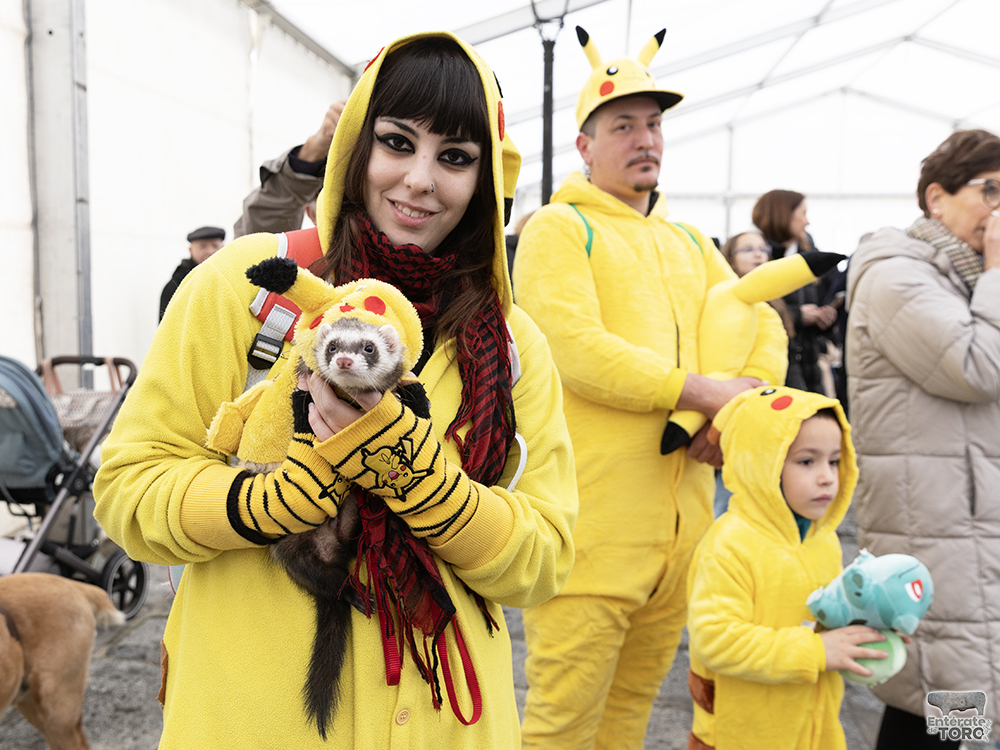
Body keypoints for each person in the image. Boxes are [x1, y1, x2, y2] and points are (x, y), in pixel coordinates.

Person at [94, 33, 577, 749]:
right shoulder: (252, 287)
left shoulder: (508, 345)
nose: (419, 179)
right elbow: (128, 491)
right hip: (253, 722)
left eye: (454, 157)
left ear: (485, 182)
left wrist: (431, 488)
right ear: (355, 146)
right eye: (396, 141)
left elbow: (544, 558)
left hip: (448, 726)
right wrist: (261, 502)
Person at [512, 26, 788, 749]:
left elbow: (763, 320)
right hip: (591, 539)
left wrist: (746, 405)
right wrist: (699, 392)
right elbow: (575, 351)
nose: (645, 139)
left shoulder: (691, 242)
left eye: (655, 124)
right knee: (560, 726)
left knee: (630, 717)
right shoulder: (558, 228)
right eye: (623, 124)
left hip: (683, 539)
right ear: (585, 145)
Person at [845, 128, 1000, 750]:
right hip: (934, 533)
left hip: (968, 524)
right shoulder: (895, 277)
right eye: (989, 190)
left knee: (956, 691)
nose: (998, 208)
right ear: (936, 198)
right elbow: (978, 365)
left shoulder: (962, 279)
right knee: (943, 695)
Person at [686, 386, 879, 750]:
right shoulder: (730, 545)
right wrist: (816, 652)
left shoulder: (823, 539)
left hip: (814, 724)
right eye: (807, 461)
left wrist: (870, 629)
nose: (826, 477)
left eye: (834, 461)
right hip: (742, 731)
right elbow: (716, 638)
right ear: (763, 464)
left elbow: (828, 613)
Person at [752, 190, 840, 395]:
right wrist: (798, 316)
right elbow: (751, 311)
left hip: (808, 364)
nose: (807, 222)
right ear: (783, 215)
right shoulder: (756, 256)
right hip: (774, 368)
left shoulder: (807, 254)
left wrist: (824, 319)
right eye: (803, 213)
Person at [233, 101, 345, 238]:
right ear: (311, 213)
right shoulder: (299, 255)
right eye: (339, 206)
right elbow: (261, 227)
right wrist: (314, 150)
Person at [158, 226, 225, 321]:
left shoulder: (233, 277)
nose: (210, 251)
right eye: (203, 246)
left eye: (215, 246)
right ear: (190, 250)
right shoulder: (177, 284)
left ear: (223, 248)